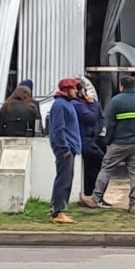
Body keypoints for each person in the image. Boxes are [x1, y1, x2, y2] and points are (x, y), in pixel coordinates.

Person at [81, 76, 135, 214]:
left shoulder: (116, 101)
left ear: (121, 86)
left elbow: (110, 124)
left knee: (106, 169)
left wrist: (108, 140)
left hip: (119, 143)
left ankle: (95, 199)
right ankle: (134, 204)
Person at [71, 80, 112, 209]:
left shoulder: (85, 104)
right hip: (84, 140)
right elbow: (91, 117)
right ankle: (95, 196)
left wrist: (98, 132)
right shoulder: (77, 104)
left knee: (92, 167)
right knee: (102, 164)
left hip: (91, 139)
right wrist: (93, 104)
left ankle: (91, 193)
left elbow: (100, 118)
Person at [48, 78, 83, 224]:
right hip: (66, 149)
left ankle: (57, 209)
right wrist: (64, 148)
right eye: (74, 88)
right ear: (67, 90)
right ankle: (59, 212)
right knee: (64, 180)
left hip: (69, 147)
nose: (76, 91)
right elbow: (58, 128)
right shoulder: (60, 105)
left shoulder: (66, 104)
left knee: (65, 179)